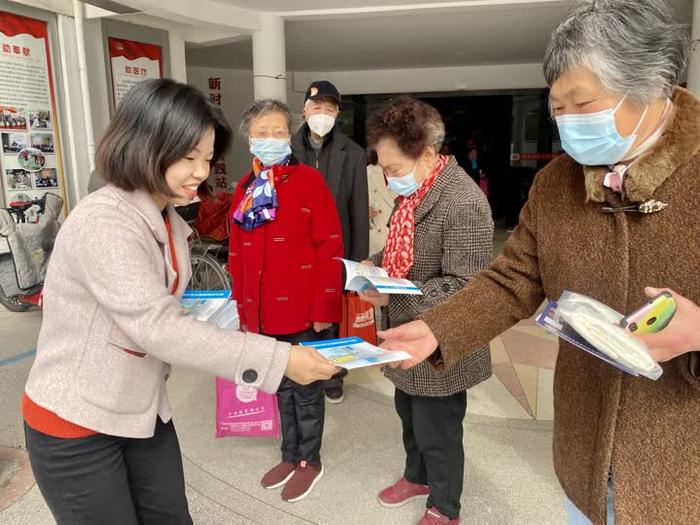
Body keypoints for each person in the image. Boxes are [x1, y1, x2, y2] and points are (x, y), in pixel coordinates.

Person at [378, 1, 699, 524]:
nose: (569, 123)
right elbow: (513, 279)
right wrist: (439, 328)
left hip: (682, 469)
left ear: (653, 86)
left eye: (583, 104)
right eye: (557, 109)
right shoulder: (556, 184)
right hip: (584, 454)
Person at [21, 79, 338, 525]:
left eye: (207, 159)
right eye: (188, 158)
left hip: (142, 407)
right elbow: (158, 325)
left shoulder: (166, 215)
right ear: (143, 146)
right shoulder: (105, 220)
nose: (201, 173)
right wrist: (278, 357)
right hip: (77, 420)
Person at [361, 98, 493, 525]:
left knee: (438, 430)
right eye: (384, 167)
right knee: (408, 414)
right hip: (405, 336)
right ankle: (416, 477)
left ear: (430, 154)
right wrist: (373, 264)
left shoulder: (463, 202)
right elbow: (405, 248)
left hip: (440, 342)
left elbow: (465, 286)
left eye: (395, 168)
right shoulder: (417, 187)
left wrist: (392, 294)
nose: (389, 178)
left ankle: (445, 506)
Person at [229, 99, 344, 502]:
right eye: (262, 132)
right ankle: (288, 453)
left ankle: (309, 461)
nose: (271, 139)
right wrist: (244, 313)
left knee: (307, 388)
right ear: (249, 138)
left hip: (301, 307)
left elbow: (330, 247)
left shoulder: (309, 182)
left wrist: (323, 310)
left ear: (290, 136)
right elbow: (237, 255)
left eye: (279, 132)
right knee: (277, 384)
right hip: (261, 311)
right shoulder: (244, 188)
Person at [292, 80, 369, 403]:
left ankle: (333, 375)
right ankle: (299, 370)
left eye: (329, 108)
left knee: (332, 311)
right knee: (299, 311)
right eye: (316, 107)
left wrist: (358, 262)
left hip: (335, 249)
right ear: (304, 111)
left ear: (337, 113)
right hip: (295, 248)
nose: (321, 114)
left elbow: (358, 211)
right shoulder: (287, 149)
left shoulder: (352, 153)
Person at [367, 149, 397, 255]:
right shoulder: (367, 172)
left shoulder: (409, 173)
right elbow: (351, 210)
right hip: (374, 246)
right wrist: (363, 214)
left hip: (399, 244)